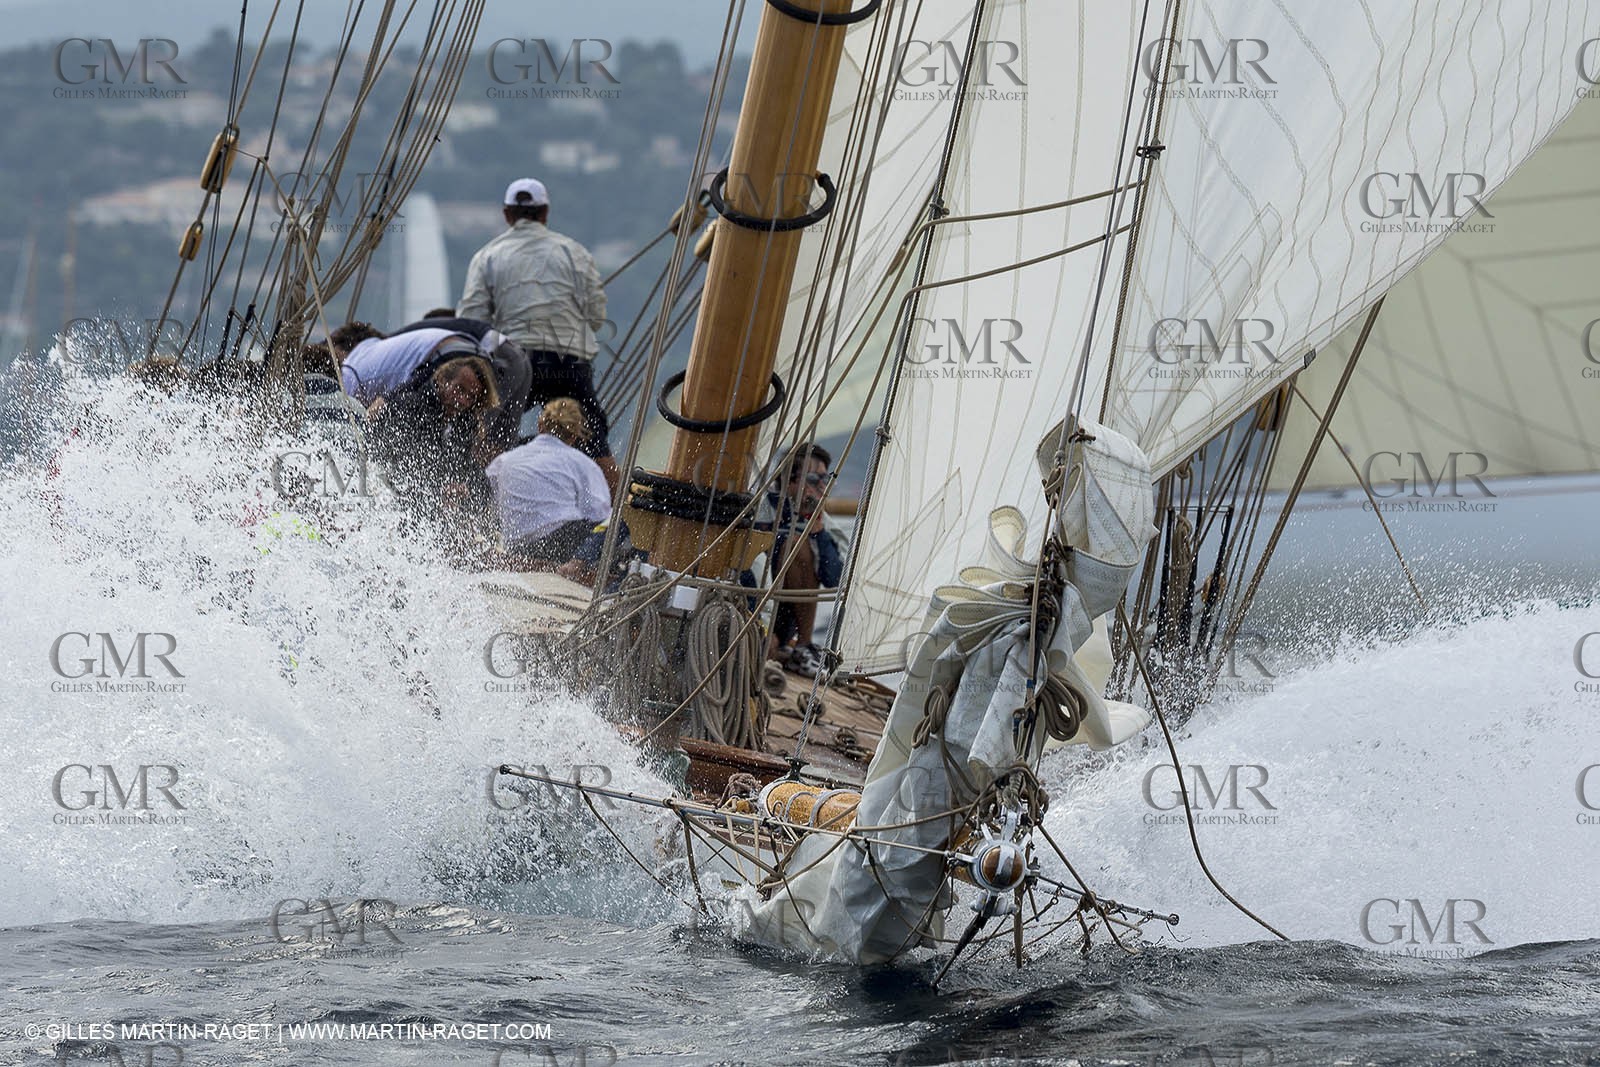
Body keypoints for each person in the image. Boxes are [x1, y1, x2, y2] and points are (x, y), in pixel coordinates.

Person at [459, 178, 618, 493]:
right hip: (570, 362)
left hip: (518, 361)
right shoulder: (574, 253)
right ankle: (615, 521)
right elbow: (598, 316)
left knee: (490, 436)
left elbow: (472, 322)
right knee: (595, 439)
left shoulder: (488, 256)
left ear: (507, 214)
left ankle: (479, 515)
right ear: (545, 213)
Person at [367, 354, 499, 521]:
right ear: (443, 380)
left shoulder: (462, 429)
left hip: (430, 517)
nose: (462, 400)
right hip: (388, 509)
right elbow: (401, 469)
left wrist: (467, 490)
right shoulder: (408, 410)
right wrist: (440, 492)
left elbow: (478, 481)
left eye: (470, 396)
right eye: (459, 389)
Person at [387, 310, 533, 458]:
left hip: (505, 358)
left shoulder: (441, 335)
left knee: (476, 442)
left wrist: (388, 399)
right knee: (501, 444)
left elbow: (427, 375)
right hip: (521, 359)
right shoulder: (466, 330)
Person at [486, 397, 610, 566]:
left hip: (517, 548)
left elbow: (492, 497)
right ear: (574, 437)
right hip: (560, 547)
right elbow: (599, 513)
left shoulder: (502, 461)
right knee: (617, 518)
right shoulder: (582, 463)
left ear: (540, 426)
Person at [761, 443, 844, 677]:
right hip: (754, 618)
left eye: (825, 480)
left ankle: (803, 647)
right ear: (790, 482)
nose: (821, 487)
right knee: (792, 543)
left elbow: (834, 580)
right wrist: (761, 626)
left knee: (797, 545)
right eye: (813, 479)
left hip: (783, 630)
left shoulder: (825, 525)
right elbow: (747, 571)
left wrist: (818, 534)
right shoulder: (760, 512)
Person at [339, 327, 480, 409]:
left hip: (449, 355)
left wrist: (386, 399)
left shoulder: (348, 375)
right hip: (471, 347)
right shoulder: (369, 348)